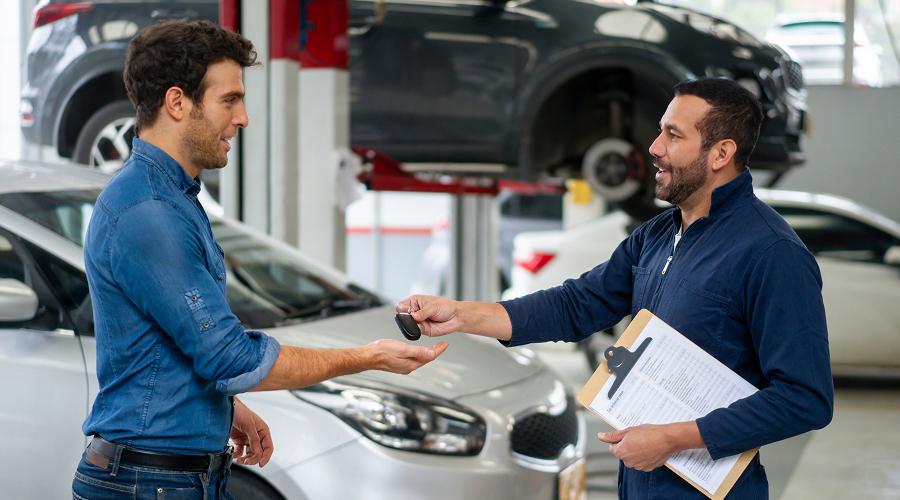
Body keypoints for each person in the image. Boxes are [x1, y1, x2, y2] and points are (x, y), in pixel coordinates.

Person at [398, 78, 833, 499]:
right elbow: (575, 304)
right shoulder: (657, 235)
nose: (654, 148)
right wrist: (462, 314)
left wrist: (673, 439)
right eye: (660, 130)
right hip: (641, 476)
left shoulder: (772, 254)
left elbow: (804, 398)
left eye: (672, 135)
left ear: (720, 153)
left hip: (704, 487)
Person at [74, 20, 447, 499]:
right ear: (177, 103)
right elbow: (229, 356)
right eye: (229, 100)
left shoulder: (173, 196)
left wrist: (223, 411)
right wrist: (366, 357)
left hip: (174, 477)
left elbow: (164, 349)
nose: (243, 117)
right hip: (150, 485)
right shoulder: (149, 212)